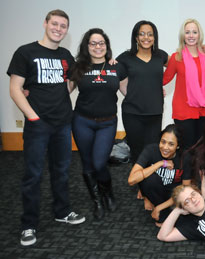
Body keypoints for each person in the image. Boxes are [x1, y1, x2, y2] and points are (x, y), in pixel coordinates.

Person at [7, 9, 85, 246]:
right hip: (37, 125)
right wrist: (33, 117)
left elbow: (71, 81)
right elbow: (15, 88)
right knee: (33, 175)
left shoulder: (65, 55)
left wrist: (64, 95)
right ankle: (28, 224)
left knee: (61, 172)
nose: (58, 29)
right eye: (55, 24)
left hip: (62, 123)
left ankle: (62, 212)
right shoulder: (26, 52)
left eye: (63, 26)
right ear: (45, 23)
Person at [69, 28, 128, 220]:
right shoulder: (78, 67)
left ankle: (108, 193)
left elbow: (129, 92)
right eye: (93, 43)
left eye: (101, 43)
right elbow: (62, 92)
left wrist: (154, 93)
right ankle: (97, 201)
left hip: (107, 123)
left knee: (99, 163)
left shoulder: (116, 67)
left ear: (107, 46)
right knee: (87, 164)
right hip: (82, 122)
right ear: (87, 46)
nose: (97, 47)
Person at [117, 21, 169, 163]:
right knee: (137, 152)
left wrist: (200, 50)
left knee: (152, 151)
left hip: (155, 113)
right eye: (142, 34)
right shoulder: (125, 57)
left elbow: (181, 65)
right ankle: (139, 183)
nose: (146, 37)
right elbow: (114, 76)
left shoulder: (161, 56)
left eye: (150, 34)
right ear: (136, 37)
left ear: (155, 37)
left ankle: (150, 183)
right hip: (132, 113)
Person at [163, 18, 205, 150]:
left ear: (199, 34)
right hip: (184, 110)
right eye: (187, 32)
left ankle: (201, 171)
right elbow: (164, 79)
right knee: (187, 148)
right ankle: (186, 172)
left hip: (204, 109)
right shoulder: (176, 57)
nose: (191, 35)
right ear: (182, 35)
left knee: (203, 147)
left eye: (194, 32)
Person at [128, 124, 191, 225]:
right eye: (163, 142)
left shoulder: (185, 157)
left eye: (171, 144)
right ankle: (149, 198)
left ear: (178, 146)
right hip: (156, 190)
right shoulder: (150, 150)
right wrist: (160, 164)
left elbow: (185, 189)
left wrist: (159, 208)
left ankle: (161, 208)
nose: (165, 147)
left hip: (174, 195)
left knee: (185, 216)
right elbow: (131, 180)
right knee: (148, 177)